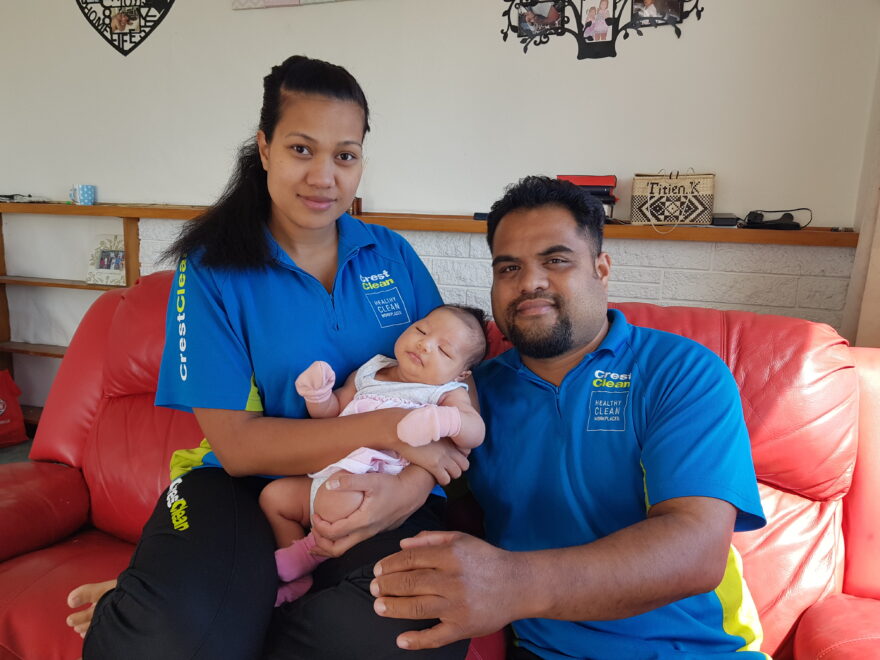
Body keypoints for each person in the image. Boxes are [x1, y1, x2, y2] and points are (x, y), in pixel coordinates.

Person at [65, 55, 472, 660]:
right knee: (167, 638)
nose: (324, 177)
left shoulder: (392, 255)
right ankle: (172, 599)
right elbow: (238, 447)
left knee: (402, 635)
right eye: (302, 149)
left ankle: (192, 598)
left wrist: (412, 487)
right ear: (264, 148)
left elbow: (457, 382)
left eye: (345, 155)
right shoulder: (211, 273)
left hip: (379, 483)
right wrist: (394, 429)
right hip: (242, 491)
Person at [370, 176, 768, 659]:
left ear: (602, 269)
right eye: (508, 267)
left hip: (695, 651)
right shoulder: (471, 396)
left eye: (556, 260)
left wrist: (511, 583)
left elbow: (697, 550)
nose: (529, 282)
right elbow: (444, 497)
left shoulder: (680, 371)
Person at [263, 304, 487, 605]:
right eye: (421, 330)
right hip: (326, 470)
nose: (424, 344)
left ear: (461, 373)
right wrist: (319, 395)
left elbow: (475, 431)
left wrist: (442, 420)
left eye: (444, 351)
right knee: (274, 497)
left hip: (368, 485)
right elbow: (332, 414)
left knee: (336, 500)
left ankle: (308, 553)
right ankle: (299, 572)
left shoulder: (444, 392)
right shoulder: (372, 369)